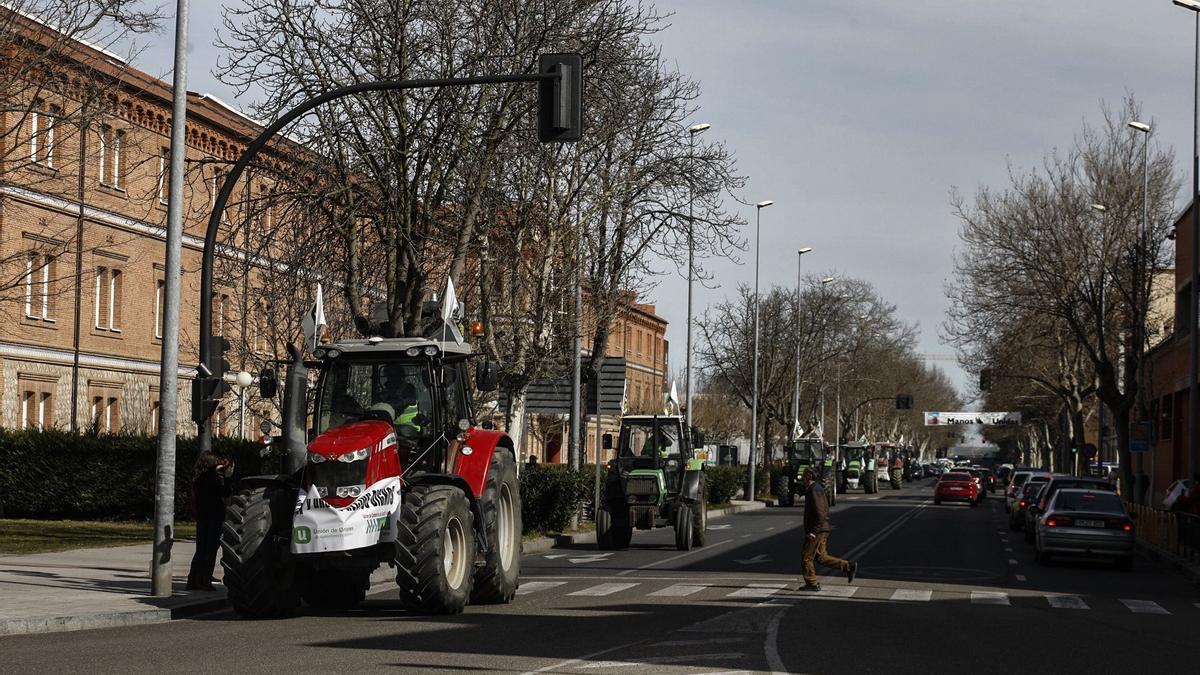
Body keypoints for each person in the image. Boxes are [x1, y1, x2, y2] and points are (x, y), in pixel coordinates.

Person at [799, 467, 857, 591]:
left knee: (806, 557)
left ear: (809, 476)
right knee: (821, 557)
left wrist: (813, 531)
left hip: (818, 530)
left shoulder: (814, 489)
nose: (802, 478)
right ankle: (848, 566)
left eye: (804, 476)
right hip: (822, 528)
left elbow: (820, 513)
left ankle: (811, 583)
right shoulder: (817, 488)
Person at [187, 454, 233, 591]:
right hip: (214, 515)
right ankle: (204, 579)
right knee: (210, 550)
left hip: (202, 516)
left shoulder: (198, 477)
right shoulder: (213, 478)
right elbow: (225, 493)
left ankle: (193, 579)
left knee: (201, 549)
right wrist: (227, 478)